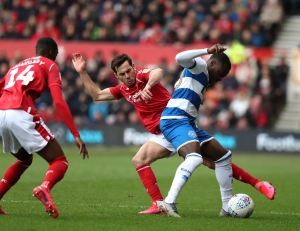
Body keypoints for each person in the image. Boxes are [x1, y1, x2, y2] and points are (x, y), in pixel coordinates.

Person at [72, 50, 275, 215]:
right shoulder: (123, 89)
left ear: (133, 67)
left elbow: (157, 72)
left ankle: (255, 185)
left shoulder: (143, 76)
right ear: (117, 76)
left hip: (176, 121)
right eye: (123, 74)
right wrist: (82, 72)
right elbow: (97, 95)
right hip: (167, 129)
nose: (128, 75)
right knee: (141, 160)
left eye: (129, 70)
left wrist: (148, 86)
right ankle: (159, 203)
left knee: (215, 160)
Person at [0, 37, 89, 218]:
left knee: (24, 160)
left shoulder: (16, 66)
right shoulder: (49, 65)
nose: (55, 58)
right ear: (50, 52)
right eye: (55, 54)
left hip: (1, 113)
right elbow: (58, 101)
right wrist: (75, 133)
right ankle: (44, 187)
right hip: (20, 112)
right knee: (60, 161)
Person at [154, 45, 237, 217]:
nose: (221, 78)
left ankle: (227, 208)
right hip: (174, 119)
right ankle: (169, 201)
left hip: (187, 122)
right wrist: (207, 51)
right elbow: (179, 58)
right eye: (221, 73)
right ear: (212, 63)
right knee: (194, 157)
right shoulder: (200, 66)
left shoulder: (205, 79)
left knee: (223, 157)